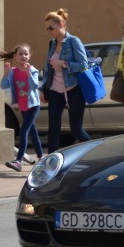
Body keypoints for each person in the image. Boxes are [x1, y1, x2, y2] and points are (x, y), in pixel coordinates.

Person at [42, 8, 92, 150]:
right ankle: (51, 165)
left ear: (62, 24)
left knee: (76, 129)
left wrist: (63, 64)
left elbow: (83, 65)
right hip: (55, 90)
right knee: (53, 129)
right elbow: (48, 68)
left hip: (73, 88)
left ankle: (93, 151)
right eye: (47, 29)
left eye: (51, 27)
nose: (49, 31)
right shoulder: (52, 44)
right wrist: (43, 88)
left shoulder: (73, 41)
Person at [0, 44, 44, 172]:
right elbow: (3, 86)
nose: (23, 56)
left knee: (24, 131)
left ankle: (18, 161)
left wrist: (28, 74)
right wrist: (6, 74)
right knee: (33, 132)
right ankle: (41, 157)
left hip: (33, 105)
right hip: (22, 105)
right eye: (20, 54)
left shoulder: (33, 70)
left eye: (26, 54)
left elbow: (35, 86)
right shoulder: (13, 72)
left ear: (29, 56)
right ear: (15, 56)